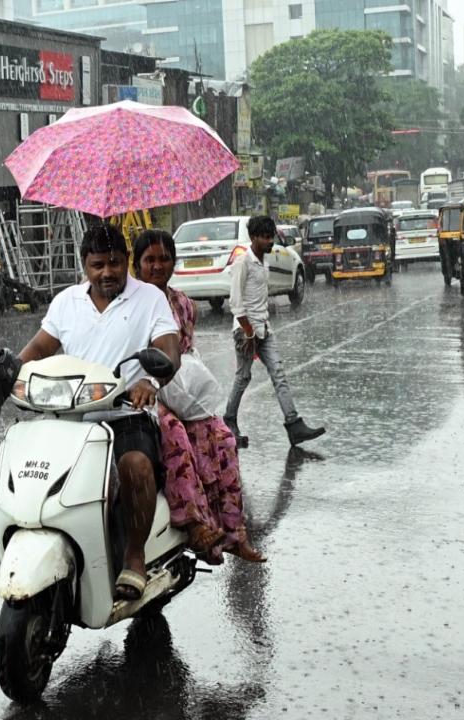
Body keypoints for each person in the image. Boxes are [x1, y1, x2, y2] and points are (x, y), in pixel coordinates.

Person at [17, 224, 182, 601]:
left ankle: (135, 556)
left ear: (126, 261)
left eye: (113, 263)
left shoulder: (150, 299)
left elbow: (169, 350)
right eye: (97, 265)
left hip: (127, 414)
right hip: (71, 418)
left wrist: (150, 383)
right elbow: (39, 347)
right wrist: (10, 369)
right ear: (84, 266)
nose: (106, 272)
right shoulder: (66, 302)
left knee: (137, 466)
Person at [132, 229, 265, 564]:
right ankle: (193, 523)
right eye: (149, 260)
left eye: (164, 258)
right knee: (174, 435)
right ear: (137, 265)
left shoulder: (184, 305)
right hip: (142, 394)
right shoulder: (130, 304)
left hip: (180, 391)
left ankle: (234, 533)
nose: (157, 266)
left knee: (222, 438)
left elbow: (185, 356)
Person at [223, 215, 325, 447]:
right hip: (245, 330)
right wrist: (249, 333)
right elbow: (236, 304)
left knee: (278, 373)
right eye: (265, 237)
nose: (270, 242)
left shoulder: (264, 261)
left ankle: (294, 424)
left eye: (272, 237)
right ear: (253, 237)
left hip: (263, 328)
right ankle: (229, 420)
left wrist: (261, 329)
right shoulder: (243, 263)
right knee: (243, 377)